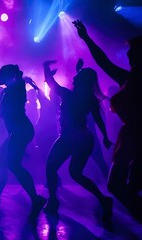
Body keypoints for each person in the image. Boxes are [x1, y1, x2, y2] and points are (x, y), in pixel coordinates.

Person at [73, 20, 142, 222]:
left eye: (133, 55)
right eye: (129, 55)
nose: (129, 58)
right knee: (119, 185)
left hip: (139, 136)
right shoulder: (127, 78)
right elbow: (104, 62)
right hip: (129, 136)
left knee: (129, 184)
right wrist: (86, 38)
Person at [42, 60, 113, 227]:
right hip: (81, 137)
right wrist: (104, 136)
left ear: (82, 82)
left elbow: (52, 84)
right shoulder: (90, 99)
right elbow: (98, 119)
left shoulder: (70, 95)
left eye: (77, 77)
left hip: (71, 137)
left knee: (54, 167)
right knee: (73, 173)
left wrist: (45, 68)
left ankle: (53, 201)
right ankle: (103, 200)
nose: (73, 79)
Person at [0, 64, 46, 221]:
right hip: (17, 132)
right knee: (1, 161)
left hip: (21, 131)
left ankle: (36, 200)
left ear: (9, 75)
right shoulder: (6, 91)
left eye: (1, 74)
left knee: (13, 165)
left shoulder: (17, 88)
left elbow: (20, 82)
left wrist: (21, 77)